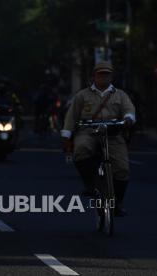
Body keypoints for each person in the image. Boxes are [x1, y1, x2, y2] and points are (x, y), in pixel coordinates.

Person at [61, 61, 136, 217]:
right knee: (81, 150)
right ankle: (91, 184)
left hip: (113, 133)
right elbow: (71, 116)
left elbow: (129, 109)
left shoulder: (120, 95)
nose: (104, 77)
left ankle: (118, 203)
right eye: (101, 74)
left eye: (107, 74)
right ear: (94, 76)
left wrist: (128, 118)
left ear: (112, 76)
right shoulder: (82, 95)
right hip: (89, 131)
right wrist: (67, 136)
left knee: (122, 169)